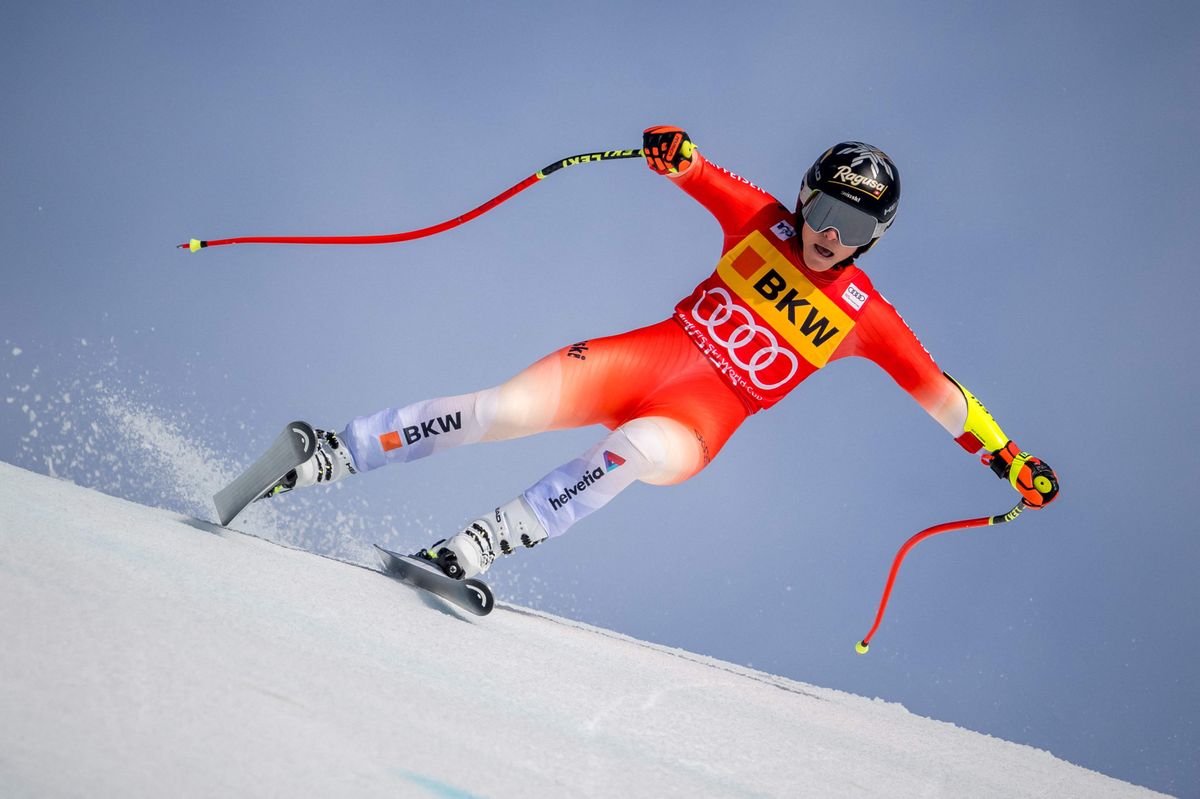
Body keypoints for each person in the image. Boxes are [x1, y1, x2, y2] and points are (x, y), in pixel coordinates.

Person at [264, 126, 1059, 580]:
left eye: (850, 228)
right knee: (502, 408)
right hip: (640, 359)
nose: (826, 234)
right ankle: (338, 451)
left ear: (873, 239)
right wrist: (674, 151)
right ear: (802, 195)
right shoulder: (762, 222)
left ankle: (475, 546)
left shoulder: (866, 316)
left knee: (633, 453)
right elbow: (694, 167)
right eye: (822, 210)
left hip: (696, 422)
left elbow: (943, 395)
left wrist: (1009, 459)